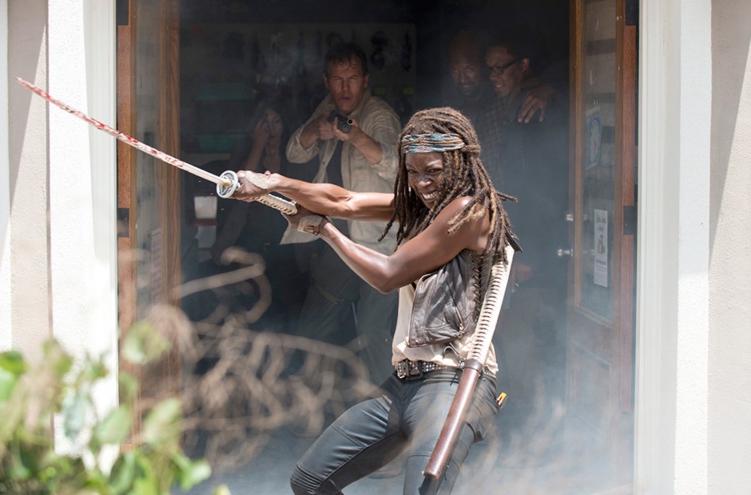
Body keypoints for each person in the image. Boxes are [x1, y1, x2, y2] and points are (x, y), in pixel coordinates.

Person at [233, 107, 520, 495]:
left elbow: (388, 274)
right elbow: (345, 200)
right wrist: (273, 183)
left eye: (432, 171)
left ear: (458, 164)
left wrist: (326, 232)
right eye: (412, 171)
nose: (421, 183)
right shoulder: (424, 207)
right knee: (309, 481)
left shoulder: (469, 211)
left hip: (451, 383)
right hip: (405, 383)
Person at [282, 42, 401, 384]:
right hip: (337, 240)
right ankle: (308, 399)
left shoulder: (379, 116)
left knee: (371, 328)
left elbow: (397, 169)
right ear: (326, 81)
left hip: (378, 245)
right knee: (313, 323)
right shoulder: (327, 109)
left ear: (366, 80)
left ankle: (388, 403)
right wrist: (314, 130)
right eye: (337, 79)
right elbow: (294, 153)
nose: (345, 88)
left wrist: (356, 137)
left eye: (352, 79)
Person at [478, 29, 569, 457]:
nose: (493, 76)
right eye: (490, 69)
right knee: (513, 347)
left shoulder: (533, 109)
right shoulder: (515, 104)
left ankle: (534, 443)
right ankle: (523, 436)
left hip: (529, 253)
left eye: (501, 67)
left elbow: (539, 192)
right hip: (515, 249)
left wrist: (526, 255)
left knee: (521, 347)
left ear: (525, 65)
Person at [209, 98, 307, 332]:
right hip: (249, 237)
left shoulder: (292, 153)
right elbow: (236, 187)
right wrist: (258, 145)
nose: (270, 128)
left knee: (286, 302)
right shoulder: (244, 150)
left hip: (285, 239)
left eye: (276, 121)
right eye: (265, 122)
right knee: (251, 299)